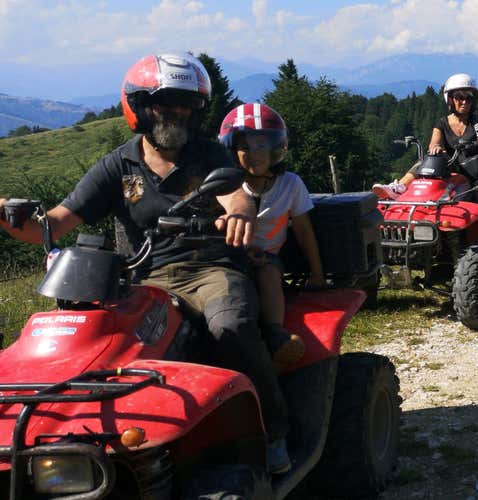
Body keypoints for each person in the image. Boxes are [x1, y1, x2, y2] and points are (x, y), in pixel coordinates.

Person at [0, 53, 293, 474]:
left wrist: (240, 214)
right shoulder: (118, 166)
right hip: (141, 276)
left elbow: (237, 194)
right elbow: (55, 224)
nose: (175, 113)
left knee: (231, 326)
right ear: (138, 106)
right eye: (163, 103)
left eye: (185, 105)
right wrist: (9, 214)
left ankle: (273, 430)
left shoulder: (209, 156)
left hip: (209, 270)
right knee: (97, 346)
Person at [218, 102, 325, 371]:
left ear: (276, 148)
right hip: (227, 257)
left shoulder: (291, 184)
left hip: (268, 258)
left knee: (267, 275)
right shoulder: (225, 185)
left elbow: (303, 229)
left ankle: (275, 334)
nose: (253, 154)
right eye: (244, 147)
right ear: (231, 150)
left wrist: (317, 274)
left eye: (260, 146)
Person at [372, 73, 478, 199]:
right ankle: (399, 188)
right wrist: (436, 148)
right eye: (459, 97)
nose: (464, 102)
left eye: (469, 98)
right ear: (450, 99)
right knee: (426, 160)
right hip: (454, 171)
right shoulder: (441, 123)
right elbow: (434, 141)